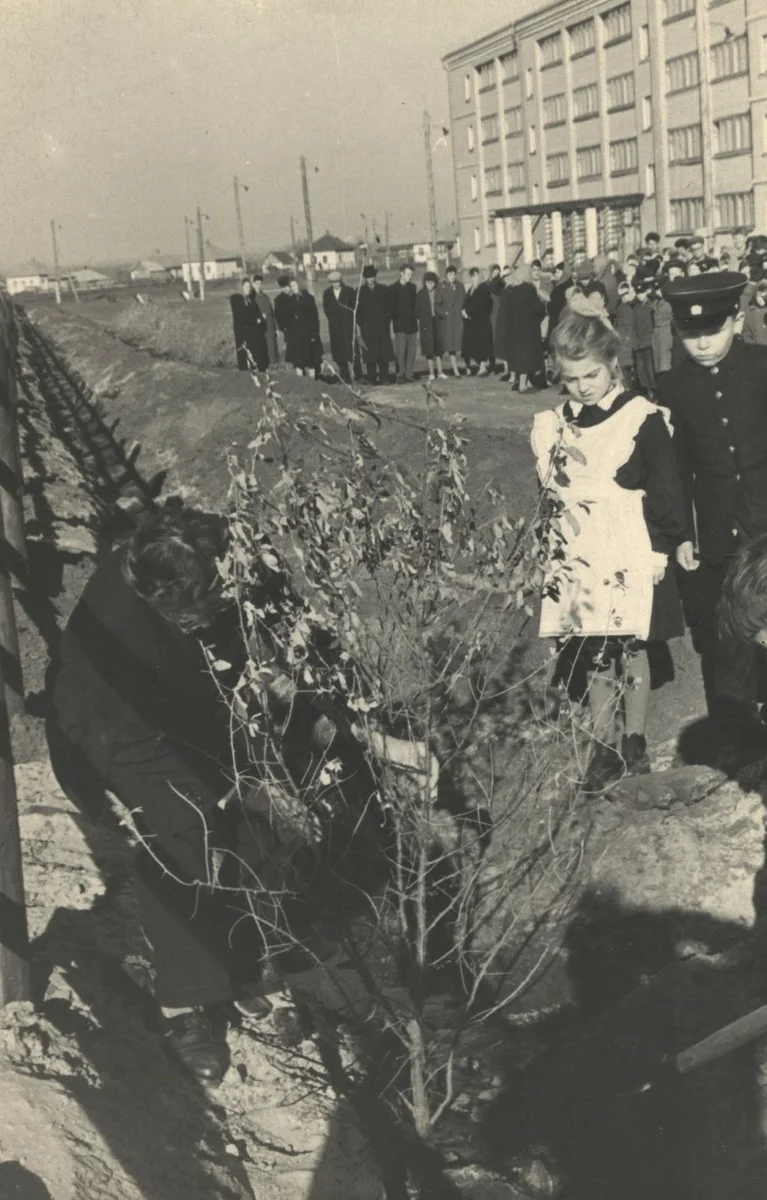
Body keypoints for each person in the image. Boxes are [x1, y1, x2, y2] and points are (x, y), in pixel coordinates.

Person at [47, 503, 438, 1087]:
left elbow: (299, 655)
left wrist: (377, 739)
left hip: (197, 704)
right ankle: (185, 1003)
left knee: (240, 827)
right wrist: (112, 802)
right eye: (195, 612)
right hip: (119, 731)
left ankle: (251, 969)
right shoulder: (114, 628)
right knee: (177, 834)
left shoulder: (232, 560)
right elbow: (104, 731)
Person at [531, 303, 686, 794]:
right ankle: (603, 745)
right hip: (578, 549)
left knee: (628, 643)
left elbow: (665, 488)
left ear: (612, 363)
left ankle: (635, 739)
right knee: (592, 645)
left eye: (592, 374)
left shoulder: (640, 417)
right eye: (572, 377)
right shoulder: (553, 425)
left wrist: (662, 549)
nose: (583, 386)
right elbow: (550, 500)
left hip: (627, 546)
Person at [657, 271, 767, 757]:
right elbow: (675, 469)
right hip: (718, 527)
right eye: (689, 333)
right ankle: (737, 739)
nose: (701, 343)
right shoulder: (672, 386)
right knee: (727, 633)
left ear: (737, 321)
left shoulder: (763, 367)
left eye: (713, 331)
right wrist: (681, 532)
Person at [495, 264, 546, 393]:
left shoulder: (512, 290)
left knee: (519, 356)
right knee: (527, 356)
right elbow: (538, 308)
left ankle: (525, 382)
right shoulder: (529, 289)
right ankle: (523, 385)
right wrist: (543, 303)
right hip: (528, 329)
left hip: (514, 329)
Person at [275, 278, 322, 377]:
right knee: (297, 361)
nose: (293, 288)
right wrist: (286, 331)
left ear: (299, 285)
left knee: (310, 360)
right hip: (294, 335)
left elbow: (314, 317)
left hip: (307, 333)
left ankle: (312, 381)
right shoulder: (288, 300)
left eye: (295, 285)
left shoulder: (308, 298)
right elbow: (284, 317)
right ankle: (300, 381)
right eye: (291, 286)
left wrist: (314, 333)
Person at [356, 264, 394, 385]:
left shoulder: (383, 289)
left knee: (383, 353)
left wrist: (386, 321)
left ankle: (384, 378)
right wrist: (362, 324)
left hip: (382, 327)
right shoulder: (360, 292)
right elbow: (357, 311)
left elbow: (389, 308)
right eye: (368, 277)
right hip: (367, 329)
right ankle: (371, 378)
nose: (371, 279)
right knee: (369, 354)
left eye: (372, 276)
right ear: (365, 278)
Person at [322, 270, 359, 383]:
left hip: (348, 326)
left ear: (340, 281)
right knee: (339, 353)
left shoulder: (349, 291)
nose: (335, 284)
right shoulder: (327, 293)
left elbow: (354, 307)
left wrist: (349, 320)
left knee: (352, 351)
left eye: (337, 282)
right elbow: (326, 309)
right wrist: (334, 320)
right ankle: (345, 375)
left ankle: (358, 374)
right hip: (335, 328)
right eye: (333, 282)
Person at [230, 278, 268, 372]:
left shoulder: (250, 300)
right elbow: (242, 315)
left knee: (254, 356)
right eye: (246, 287)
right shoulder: (236, 299)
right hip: (242, 333)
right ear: (241, 288)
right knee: (245, 356)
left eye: (249, 287)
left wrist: (261, 318)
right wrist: (256, 320)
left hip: (252, 332)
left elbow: (257, 312)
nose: (248, 289)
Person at [389, 263, 419, 383]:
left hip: (412, 324)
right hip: (400, 325)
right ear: (401, 273)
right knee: (401, 351)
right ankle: (400, 374)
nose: (410, 277)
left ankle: (409, 374)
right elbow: (391, 309)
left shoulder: (413, 288)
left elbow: (414, 306)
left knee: (411, 350)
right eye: (408, 274)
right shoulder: (392, 289)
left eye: (411, 275)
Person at [461, 267, 493, 375]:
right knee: (472, 344)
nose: (473, 279)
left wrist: (469, 312)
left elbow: (481, 304)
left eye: (475, 276)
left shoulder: (484, 288)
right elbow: (466, 302)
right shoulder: (471, 289)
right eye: (472, 276)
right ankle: (480, 366)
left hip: (481, 321)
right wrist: (464, 311)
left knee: (482, 344)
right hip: (472, 322)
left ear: (479, 276)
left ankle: (483, 366)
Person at [435, 265, 465, 377]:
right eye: (450, 274)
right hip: (447, 321)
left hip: (457, 319)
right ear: (446, 275)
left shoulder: (460, 286)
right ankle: (443, 370)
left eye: (454, 274)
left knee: (457, 344)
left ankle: (460, 368)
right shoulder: (441, 287)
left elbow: (464, 300)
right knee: (447, 345)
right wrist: (444, 313)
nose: (452, 276)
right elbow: (437, 306)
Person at [415, 271, 445, 381]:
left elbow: (444, 305)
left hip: (437, 321)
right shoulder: (420, 294)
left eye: (432, 283)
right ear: (424, 283)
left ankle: (440, 371)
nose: (430, 285)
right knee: (429, 348)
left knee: (438, 347)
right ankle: (431, 373)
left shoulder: (439, 292)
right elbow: (416, 310)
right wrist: (423, 318)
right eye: (428, 283)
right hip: (426, 323)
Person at [632, 277, 656, 397]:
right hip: (639, 343)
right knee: (641, 372)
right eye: (637, 293)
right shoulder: (636, 308)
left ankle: (653, 392)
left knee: (650, 369)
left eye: (642, 292)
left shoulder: (651, 306)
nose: (640, 295)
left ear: (646, 292)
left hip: (649, 342)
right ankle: (648, 392)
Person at [252, 273, 279, 366]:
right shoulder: (252, 298)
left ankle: (274, 367)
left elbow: (271, 313)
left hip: (270, 328)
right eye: (256, 284)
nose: (259, 286)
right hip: (260, 329)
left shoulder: (265, 297)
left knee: (272, 350)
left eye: (260, 283)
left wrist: (277, 328)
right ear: (253, 285)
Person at [650, 281, 674, 377]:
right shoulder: (656, 302)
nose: (658, 292)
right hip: (657, 333)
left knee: (665, 363)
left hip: (665, 332)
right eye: (656, 290)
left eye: (659, 289)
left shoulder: (669, 302)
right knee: (658, 363)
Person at [742, 280, 767, 346]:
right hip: (757, 350)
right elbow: (746, 332)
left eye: (764, 297)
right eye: (759, 296)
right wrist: (753, 345)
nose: (761, 299)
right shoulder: (750, 312)